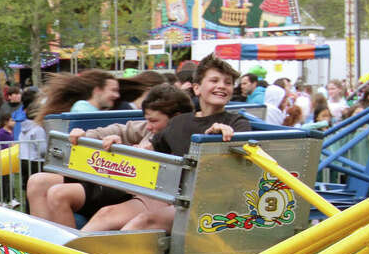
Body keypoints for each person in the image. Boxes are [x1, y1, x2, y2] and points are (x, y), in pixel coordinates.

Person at [89, 56, 250, 232]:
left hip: (207, 200)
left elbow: (242, 152)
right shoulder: (179, 122)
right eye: (214, 80)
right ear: (197, 88)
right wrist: (121, 145)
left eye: (227, 82)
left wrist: (222, 136)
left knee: (142, 223)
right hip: (170, 194)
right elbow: (149, 151)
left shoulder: (236, 123)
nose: (221, 86)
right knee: (106, 215)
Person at [28, 85, 192, 228]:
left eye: (154, 121)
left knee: (59, 194)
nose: (149, 126)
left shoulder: (182, 137)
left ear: (176, 118)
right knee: (37, 181)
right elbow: (121, 129)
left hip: (137, 190)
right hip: (118, 179)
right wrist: (84, 136)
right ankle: (40, 249)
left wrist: (126, 149)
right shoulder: (150, 129)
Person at [41, 70, 119, 115]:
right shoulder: (82, 109)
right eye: (113, 90)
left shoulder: (90, 110)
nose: (117, 95)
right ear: (97, 90)